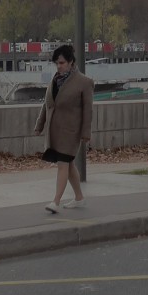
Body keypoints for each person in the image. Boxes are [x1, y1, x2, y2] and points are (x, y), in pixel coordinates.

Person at [34, 44, 93, 212]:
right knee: (69, 164)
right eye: (56, 63)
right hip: (55, 131)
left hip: (71, 132)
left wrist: (86, 133)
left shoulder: (84, 82)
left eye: (62, 63)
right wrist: (39, 125)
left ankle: (56, 202)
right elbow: (47, 105)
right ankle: (79, 198)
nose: (59, 66)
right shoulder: (54, 81)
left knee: (62, 164)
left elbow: (88, 110)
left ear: (71, 62)